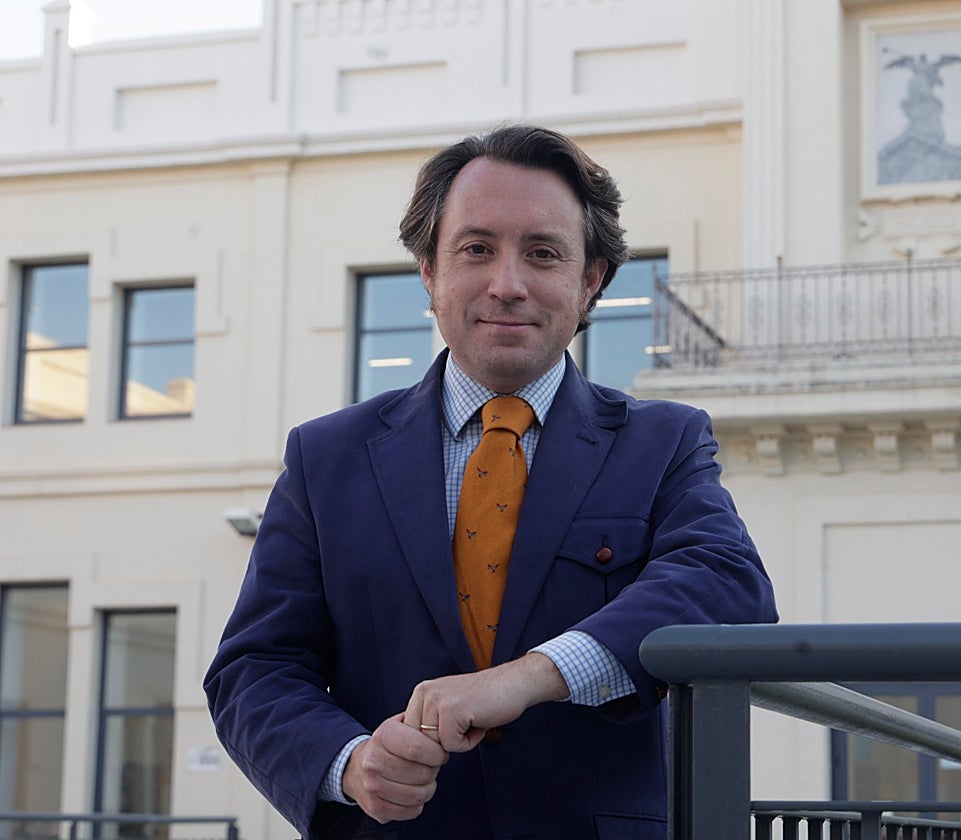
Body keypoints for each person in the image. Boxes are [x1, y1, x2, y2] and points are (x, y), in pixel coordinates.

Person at [204, 124, 778, 840]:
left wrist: (528, 677)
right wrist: (351, 764)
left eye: (543, 253)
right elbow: (255, 670)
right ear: (429, 270)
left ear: (590, 280)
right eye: (476, 249)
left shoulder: (665, 442)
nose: (507, 284)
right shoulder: (325, 459)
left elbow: (726, 582)